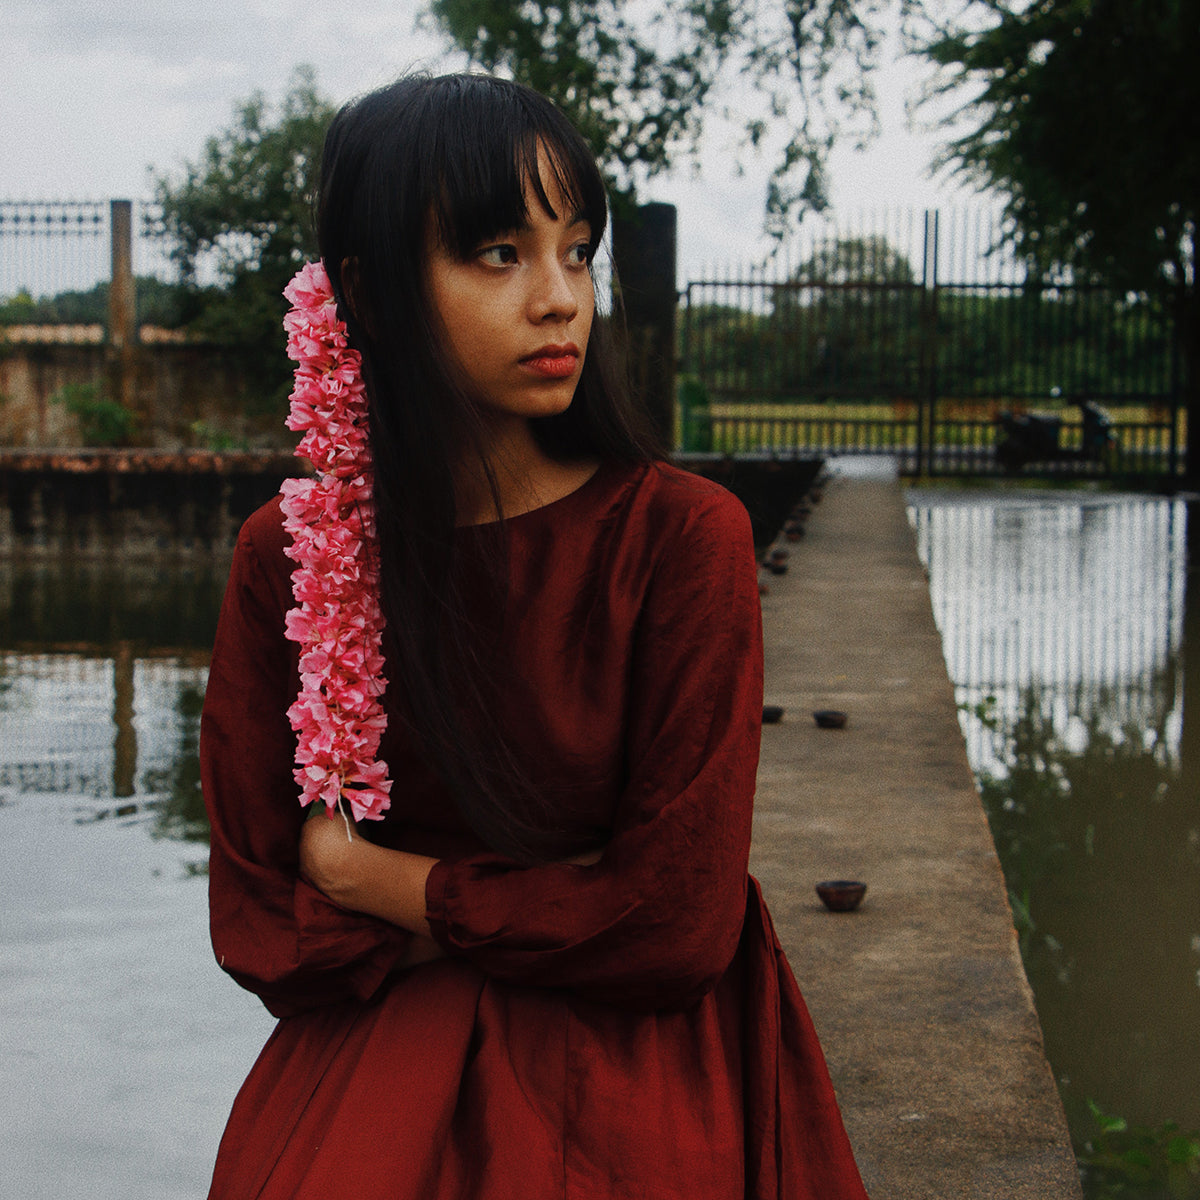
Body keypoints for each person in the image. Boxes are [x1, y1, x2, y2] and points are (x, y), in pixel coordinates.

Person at [200, 72, 869, 1200]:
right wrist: (559, 900)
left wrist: (382, 881)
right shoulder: (291, 553)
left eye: (576, 249)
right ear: (365, 288)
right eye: (498, 254)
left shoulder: (679, 540)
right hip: (373, 1073)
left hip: (634, 1081)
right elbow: (263, 921)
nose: (560, 298)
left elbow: (674, 926)